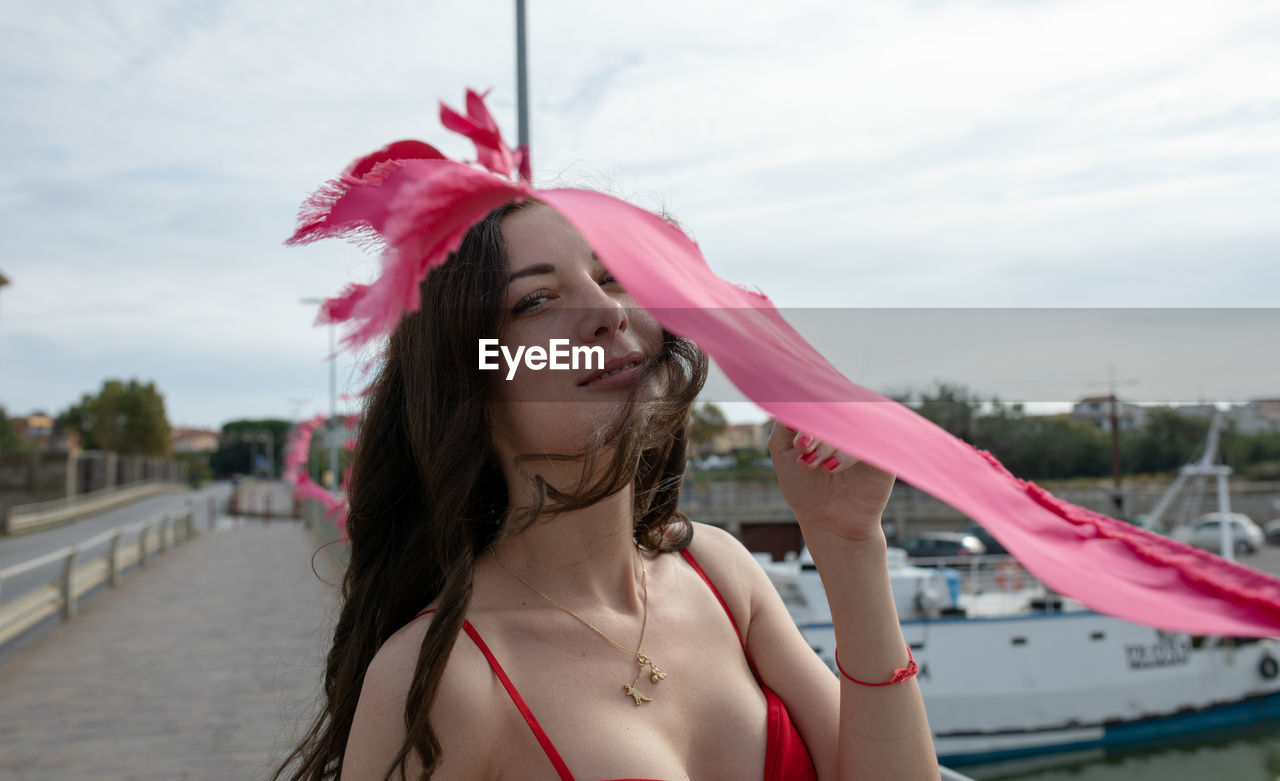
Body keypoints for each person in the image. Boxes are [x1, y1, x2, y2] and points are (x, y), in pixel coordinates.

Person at [275, 190, 936, 780]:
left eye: (613, 277)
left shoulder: (719, 572)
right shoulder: (440, 677)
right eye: (536, 299)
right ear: (469, 382)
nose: (607, 313)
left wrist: (848, 541)